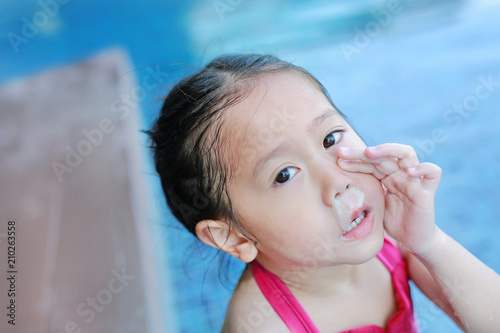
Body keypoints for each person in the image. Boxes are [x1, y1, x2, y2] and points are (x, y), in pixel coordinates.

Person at [147, 54, 500, 332]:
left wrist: (430, 243)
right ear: (232, 237)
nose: (338, 182)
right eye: (284, 174)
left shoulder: (393, 239)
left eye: (330, 138)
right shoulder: (263, 326)